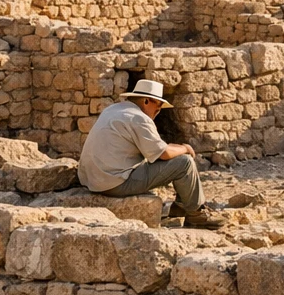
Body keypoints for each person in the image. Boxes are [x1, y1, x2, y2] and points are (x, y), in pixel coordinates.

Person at [79, 79, 226, 228]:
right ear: (147, 101)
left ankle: (181, 207)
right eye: (159, 105)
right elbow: (163, 154)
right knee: (184, 163)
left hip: (92, 180)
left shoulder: (113, 110)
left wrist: (169, 149)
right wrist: (186, 148)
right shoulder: (139, 118)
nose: (159, 110)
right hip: (115, 183)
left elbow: (154, 149)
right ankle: (196, 213)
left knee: (173, 159)